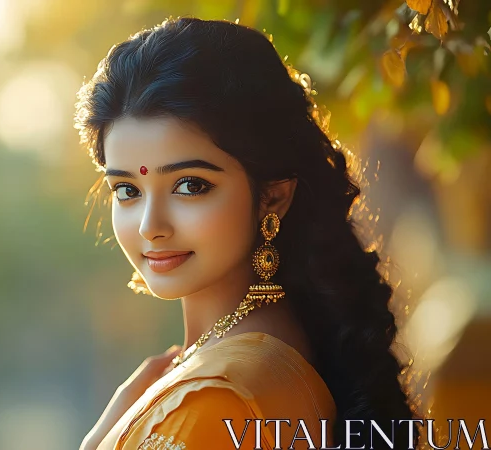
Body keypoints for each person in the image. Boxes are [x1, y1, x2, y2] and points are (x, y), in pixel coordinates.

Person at [74, 17, 422, 450]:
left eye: (190, 186)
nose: (150, 226)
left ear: (272, 197)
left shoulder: (217, 395)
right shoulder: (273, 350)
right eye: (127, 190)